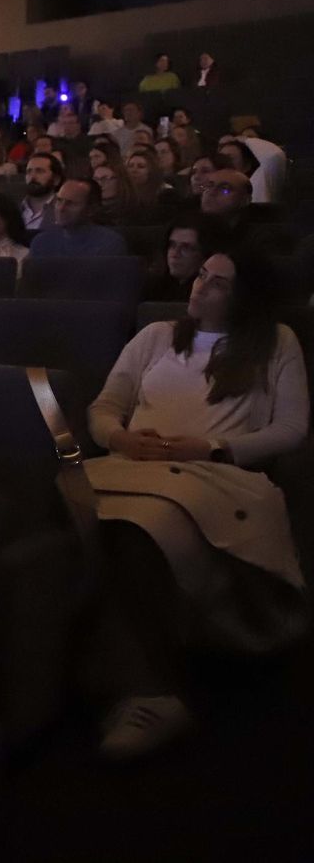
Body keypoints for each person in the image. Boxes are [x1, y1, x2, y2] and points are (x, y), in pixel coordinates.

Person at [84, 249, 308, 759]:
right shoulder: (156, 335)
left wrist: (210, 447)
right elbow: (104, 406)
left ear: (245, 296)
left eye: (219, 283)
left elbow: (292, 429)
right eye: (202, 274)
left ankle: (153, 691)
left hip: (218, 476)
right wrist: (119, 438)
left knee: (137, 526)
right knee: (73, 509)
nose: (200, 285)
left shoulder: (276, 342)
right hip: (135, 466)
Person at [28, 180, 128, 258]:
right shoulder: (42, 242)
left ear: (91, 209)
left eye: (71, 203)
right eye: (59, 200)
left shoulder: (109, 244)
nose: (61, 208)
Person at [143, 214, 216, 303]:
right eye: (172, 245)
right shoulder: (154, 288)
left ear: (205, 256)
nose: (175, 253)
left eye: (186, 248)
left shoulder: (205, 297)